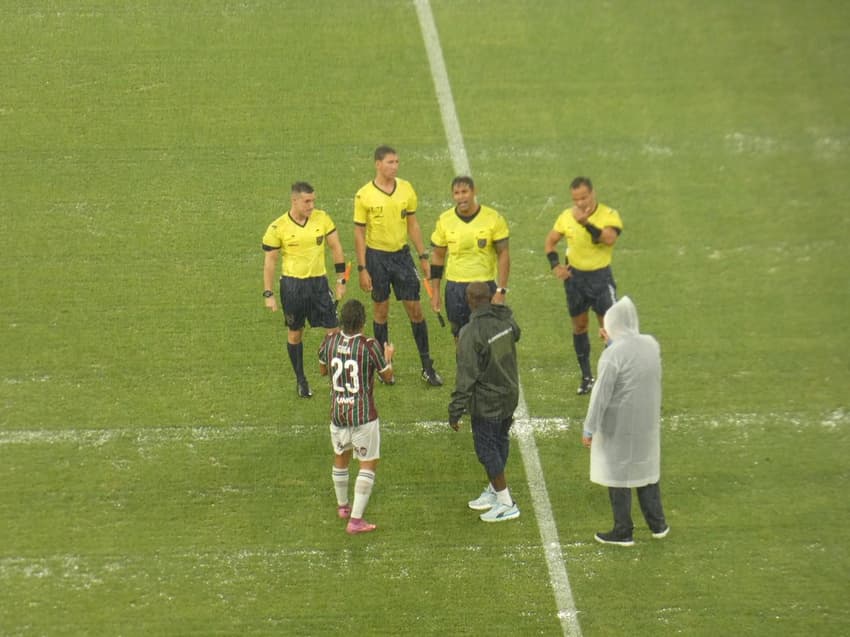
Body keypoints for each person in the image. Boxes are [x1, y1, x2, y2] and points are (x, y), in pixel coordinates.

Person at [581, 296, 669, 546]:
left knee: (618, 474)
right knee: (645, 469)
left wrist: (589, 428)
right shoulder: (651, 344)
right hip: (646, 421)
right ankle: (658, 524)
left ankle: (623, 530)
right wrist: (612, 343)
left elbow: (601, 395)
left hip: (619, 424)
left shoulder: (613, 355)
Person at [353, 145, 442, 386]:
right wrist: (362, 268)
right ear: (378, 164)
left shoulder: (406, 189)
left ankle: (427, 366)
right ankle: (385, 366)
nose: (395, 166)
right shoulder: (364, 195)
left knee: (416, 310)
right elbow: (359, 233)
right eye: (390, 162)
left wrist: (423, 256)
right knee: (381, 312)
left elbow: (412, 224)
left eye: (397, 162)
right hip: (376, 258)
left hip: (402, 257)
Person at [262, 181, 347, 398]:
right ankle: (301, 380)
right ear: (294, 201)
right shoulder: (278, 227)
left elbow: (336, 247)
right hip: (293, 287)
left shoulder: (322, 219)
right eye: (307, 201)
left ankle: (336, 375)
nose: (311, 206)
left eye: (313, 201)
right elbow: (270, 262)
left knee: (334, 331)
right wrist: (269, 293)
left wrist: (341, 280)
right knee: (295, 333)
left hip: (319, 284)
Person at [318, 299, 395, 535]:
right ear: (362, 322)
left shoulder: (330, 341)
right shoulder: (369, 346)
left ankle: (343, 506)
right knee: (368, 463)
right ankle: (355, 520)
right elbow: (388, 377)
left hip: (338, 413)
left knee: (340, 457)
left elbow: (322, 369)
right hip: (363, 415)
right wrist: (389, 357)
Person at [448, 282, 521, 522]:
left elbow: (466, 375)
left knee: (487, 450)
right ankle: (494, 490)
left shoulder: (470, 333)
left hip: (488, 402)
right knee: (500, 440)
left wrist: (455, 409)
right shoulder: (505, 319)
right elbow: (516, 333)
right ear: (489, 298)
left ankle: (506, 502)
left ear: (469, 301)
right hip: (509, 394)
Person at [544, 176, 623, 395]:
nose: (580, 203)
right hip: (575, 280)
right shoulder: (566, 217)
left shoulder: (608, 215)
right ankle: (587, 376)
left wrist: (586, 223)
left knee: (610, 329)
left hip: (600, 279)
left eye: (584, 197)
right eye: (576, 199)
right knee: (579, 327)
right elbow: (550, 242)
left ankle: (612, 377)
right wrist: (555, 266)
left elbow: (608, 239)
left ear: (593, 193)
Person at [429, 176, 510, 339]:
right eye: (456, 193)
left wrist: (501, 290)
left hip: (484, 286)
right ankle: (462, 357)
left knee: (488, 337)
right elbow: (438, 256)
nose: (461, 197)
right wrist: (436, 291)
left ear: (474, 192)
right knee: (459, 335)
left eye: (464, 192)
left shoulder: (493, 218)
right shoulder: (445, 220)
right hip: (456, 288)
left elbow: (503, 254)